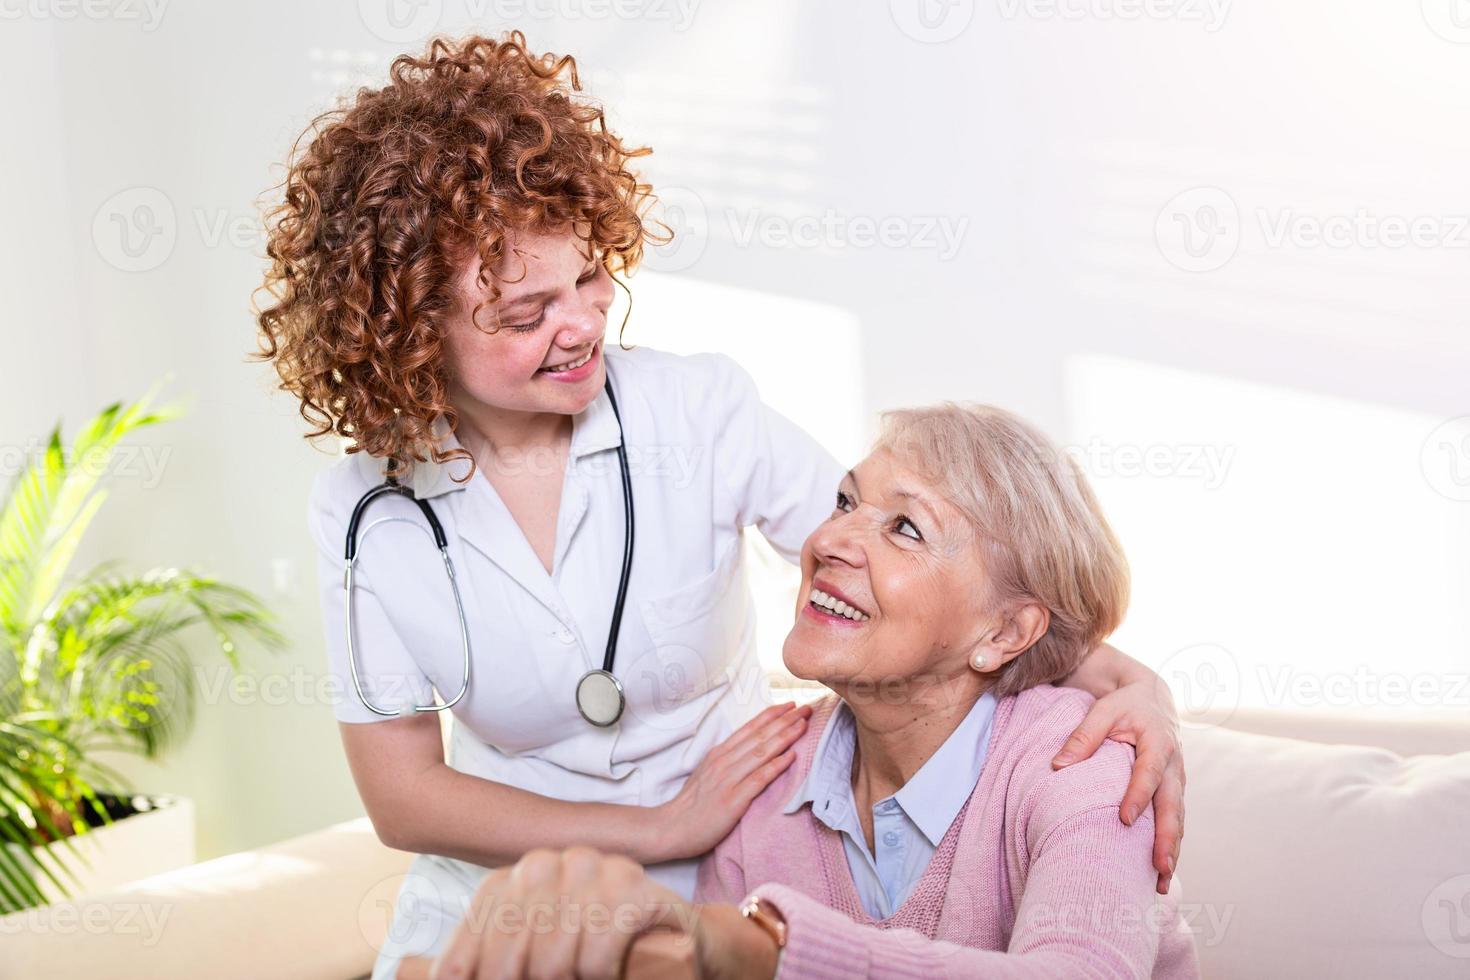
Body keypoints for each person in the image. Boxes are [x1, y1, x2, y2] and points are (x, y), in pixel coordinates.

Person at [252, 31, 1186, 978]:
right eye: (525, 315)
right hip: (495, 885)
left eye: (586, 277)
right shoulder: (366, 512)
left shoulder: (697, 412)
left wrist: (1130, 685)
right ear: (412, 331)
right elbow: (405, 796)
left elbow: (913, 561)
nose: (581, 324)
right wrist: (656, 821)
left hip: (719, 884)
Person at [418, 403, 1200, 979]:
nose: (827, 541)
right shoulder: (764, 784)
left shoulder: (1088, 764)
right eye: (845, 502)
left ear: (1004, 633)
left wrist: (767, 947)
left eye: (904, 529)